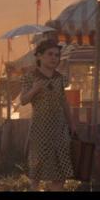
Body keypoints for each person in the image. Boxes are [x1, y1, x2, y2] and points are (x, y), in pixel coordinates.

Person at [19, 39, 75, 191]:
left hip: (60, 127)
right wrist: (34, 89)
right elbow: (23, 100)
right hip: (40, 128)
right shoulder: (30, 77)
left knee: (61, 168)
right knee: (36, 171)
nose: (53, 58)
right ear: (39, 56)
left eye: (57, 55)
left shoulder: (60, 78)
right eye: (50, 54)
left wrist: (72, 125)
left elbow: (64, 103)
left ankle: (54, 188)